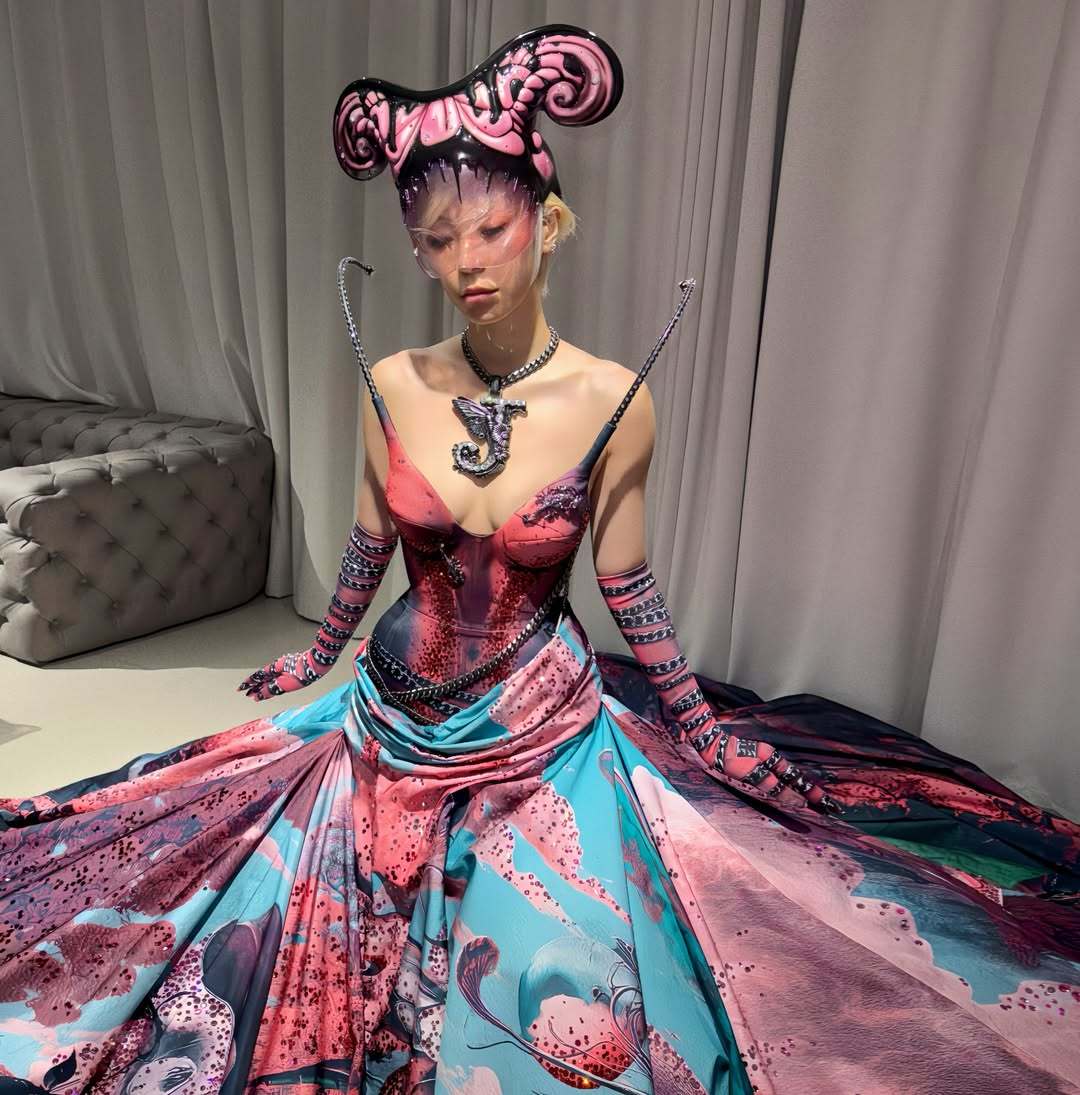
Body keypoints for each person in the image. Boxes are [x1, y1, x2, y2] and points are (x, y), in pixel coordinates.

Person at [1, 23, 1077, 1095]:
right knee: (211, 922)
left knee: (560, 990)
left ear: (546, 221)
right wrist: (317, 655)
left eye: (490, 228)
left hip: (536, 732)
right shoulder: (393, 382)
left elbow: (626, 583)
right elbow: (371, 539)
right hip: (386, 720)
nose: (465, 262)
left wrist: (702, 728)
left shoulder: (615, 399)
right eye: (436, 239)